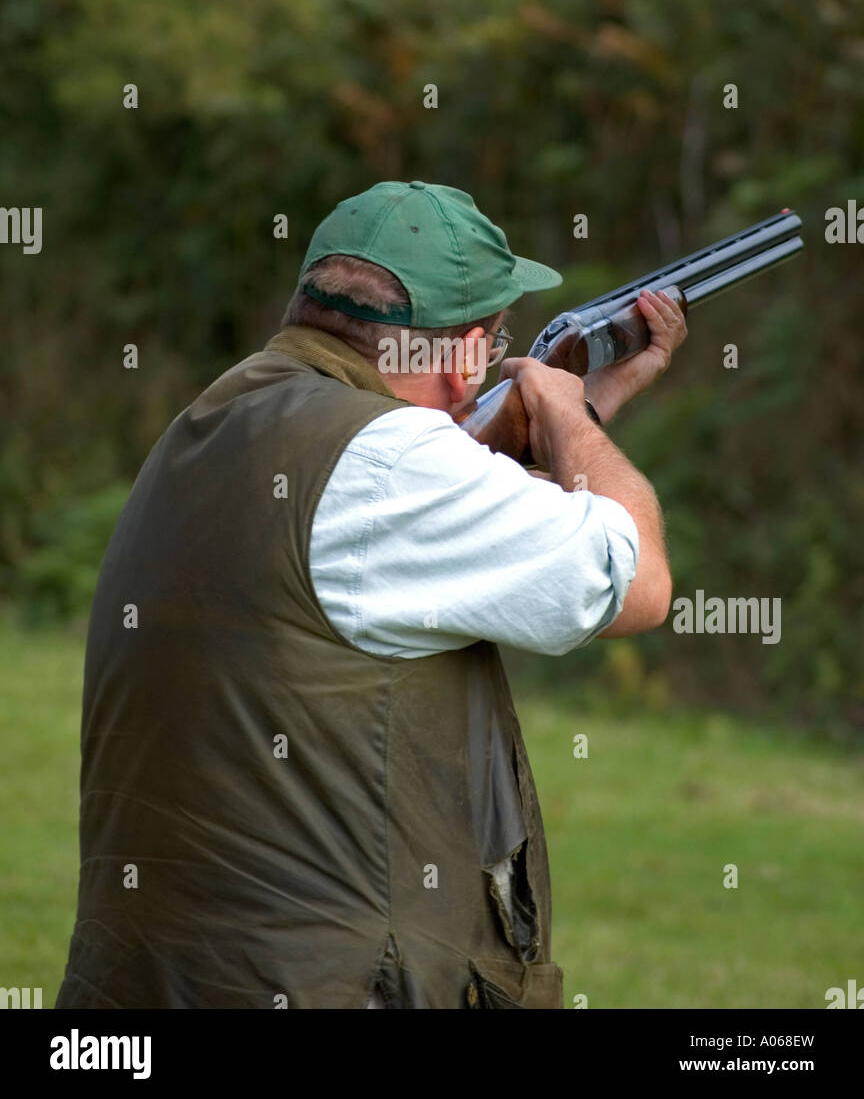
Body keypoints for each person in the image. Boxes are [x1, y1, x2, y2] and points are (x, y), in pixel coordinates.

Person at [55, 180, 686, 1010]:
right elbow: (634, 579)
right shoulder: (387, 464)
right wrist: (575, 420)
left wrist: (542, 429)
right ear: (463, 357)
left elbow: (379, 522)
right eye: (495, 344)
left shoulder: (217, 419)